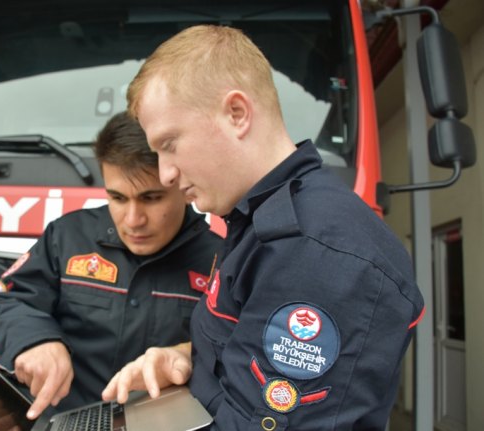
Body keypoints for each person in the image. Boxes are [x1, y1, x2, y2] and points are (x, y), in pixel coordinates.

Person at [101, 25, 425, 430]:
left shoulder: (316, 253)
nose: (164, 174)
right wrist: (185, 356)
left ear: (237, 114)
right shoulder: (262, 224)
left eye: (169, 145)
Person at [0, 112, 222, 421]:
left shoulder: (221, 261)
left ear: (183, 185)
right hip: (65, 422)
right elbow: (4, 302)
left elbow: (237, 357)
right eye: (117, 197)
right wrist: (34, 341)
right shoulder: (66, 237)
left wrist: (186, 358)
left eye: (151, 198)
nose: (133, 220)